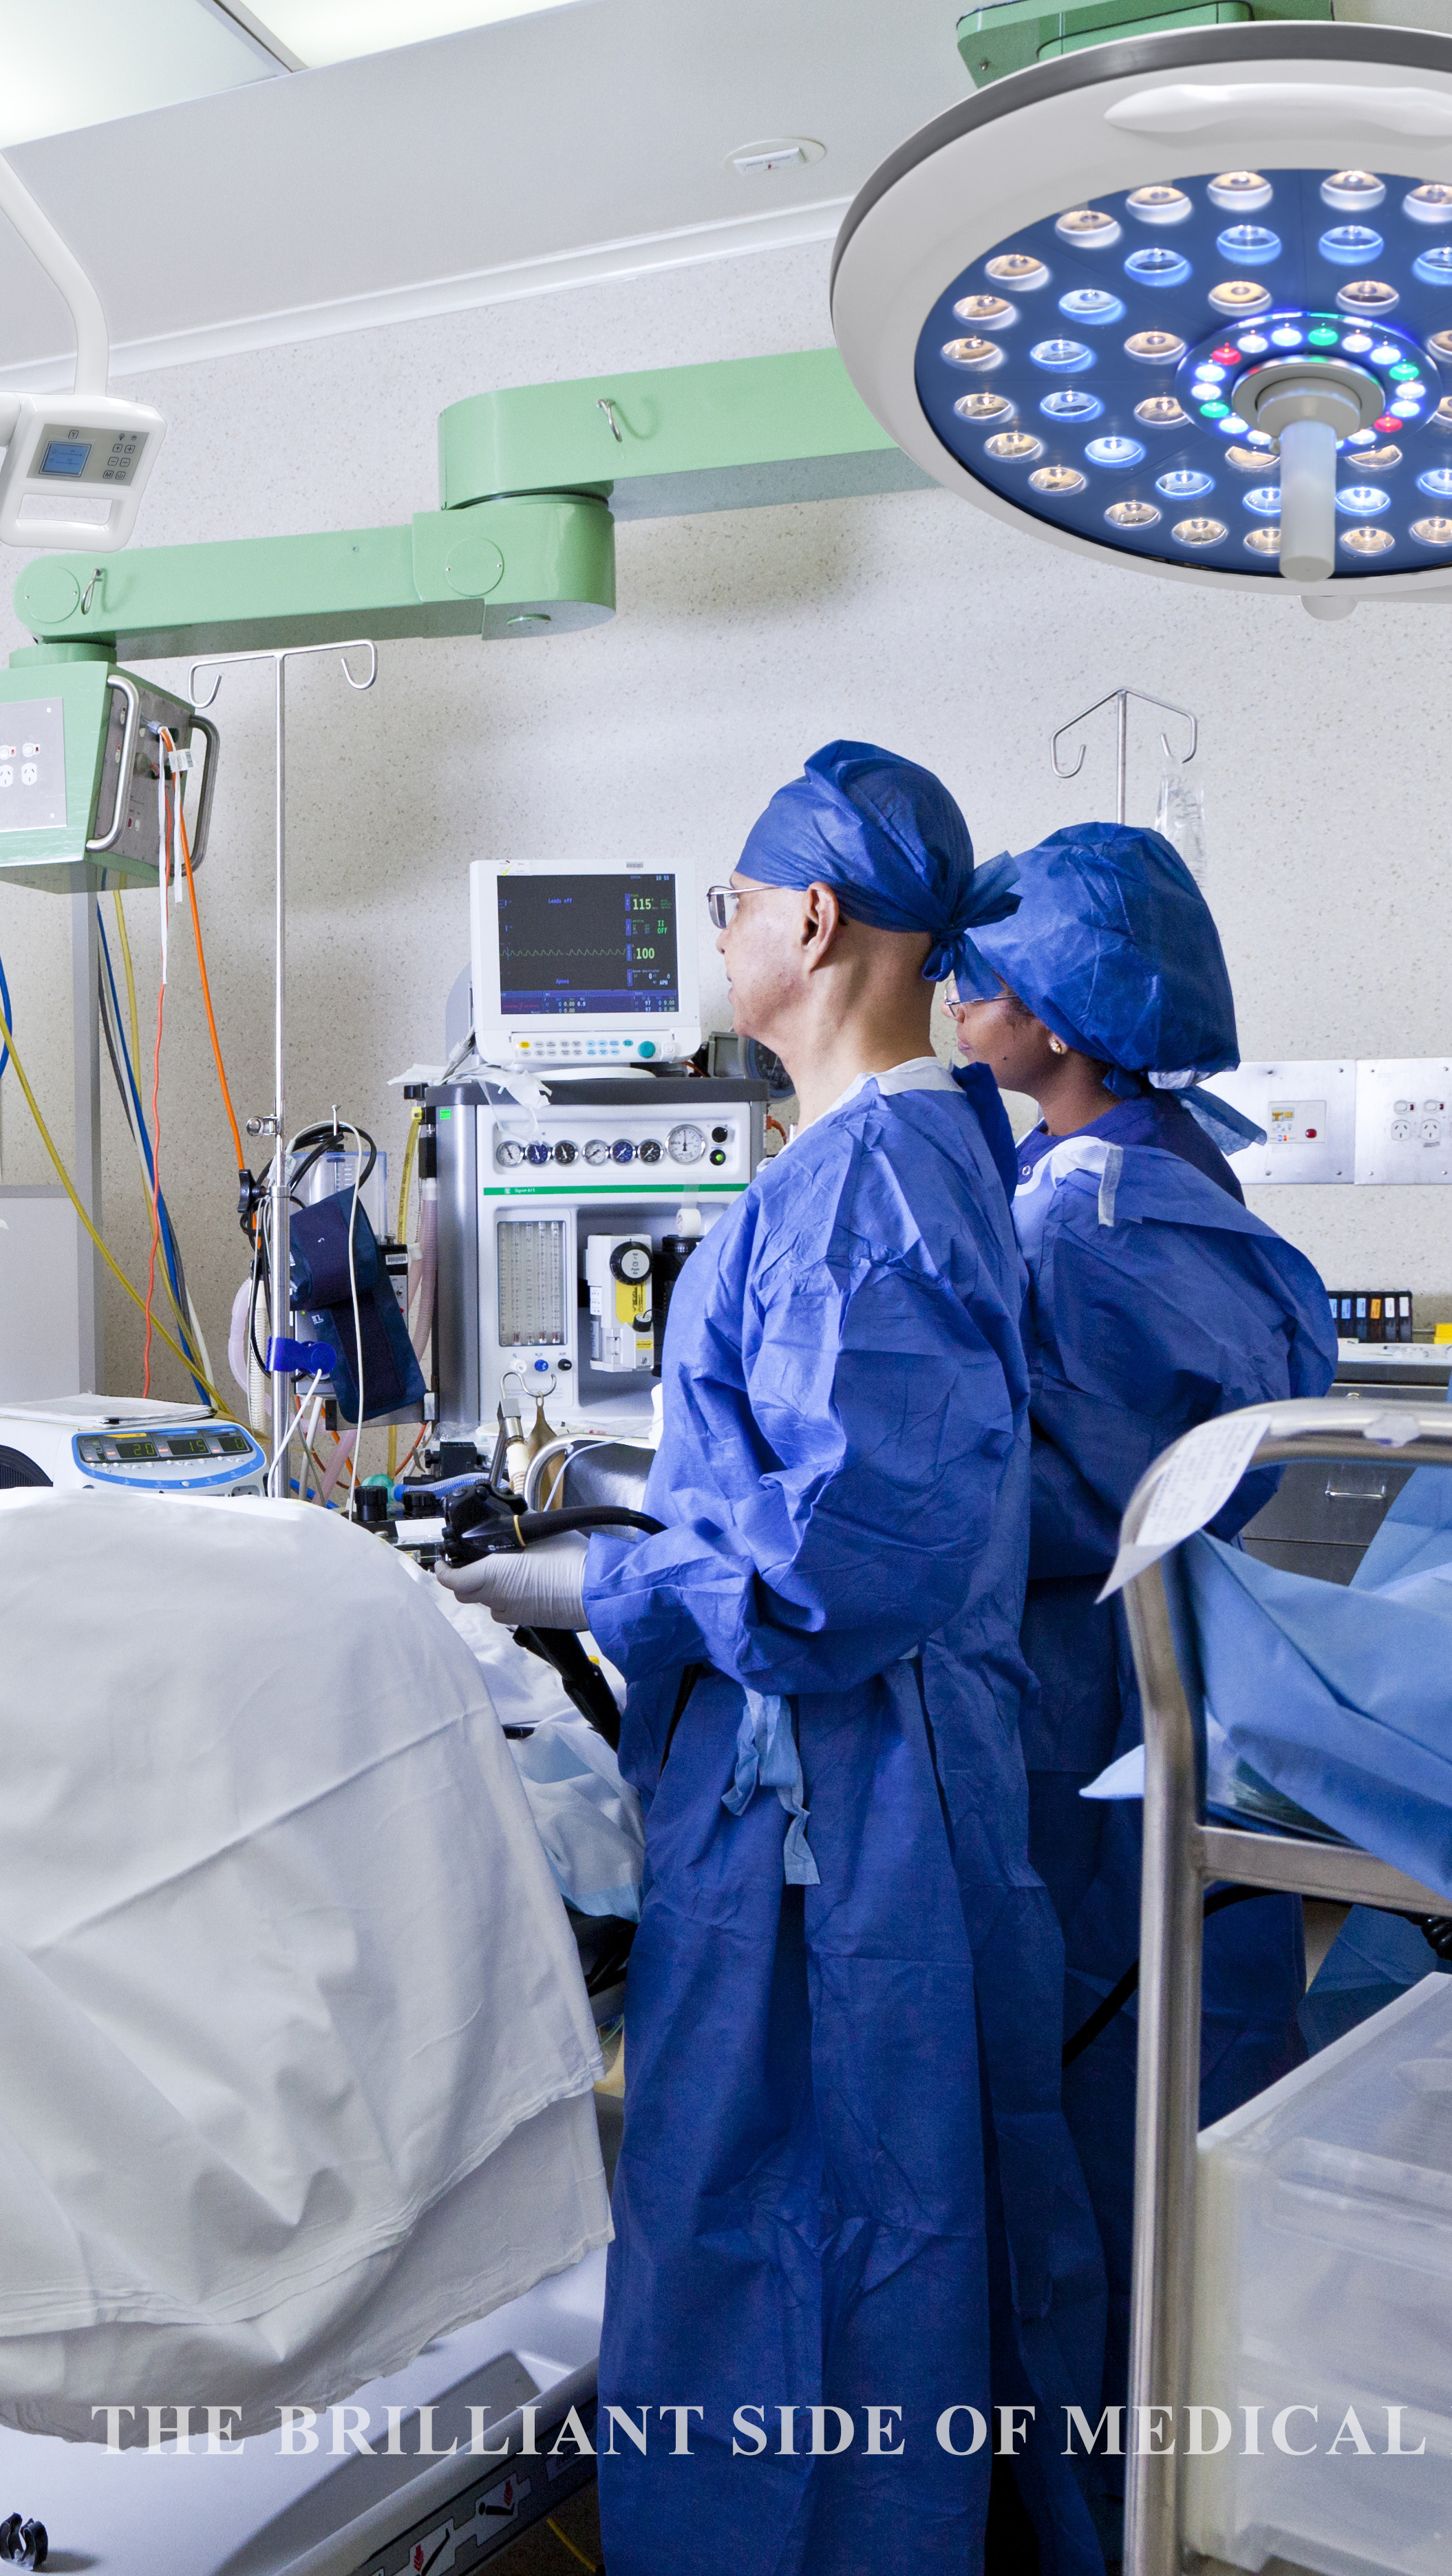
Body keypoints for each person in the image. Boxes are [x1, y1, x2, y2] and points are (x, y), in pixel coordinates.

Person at [442, 742, 1100, 2576]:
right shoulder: (895, 1162)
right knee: (869, 2230)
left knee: (792, 2246)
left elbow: (834, 1561)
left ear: (811, 921)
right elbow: (829, 1464)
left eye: (728, 906)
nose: (718, 937)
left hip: (833, 1812)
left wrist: (581, 1592)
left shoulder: (874, 1184)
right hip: (860, 1782)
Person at [948, 821, 1335, 2515]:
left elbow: (1065, 1503)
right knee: (1201, 2143)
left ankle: (1101, 2522)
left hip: (1097, 1749)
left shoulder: (1072, 1230)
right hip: (1209, 1742)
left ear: (1061, 1019)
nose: (960, 989)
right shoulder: (1187, 1179)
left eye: (990, 970)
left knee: (1101, 2167)